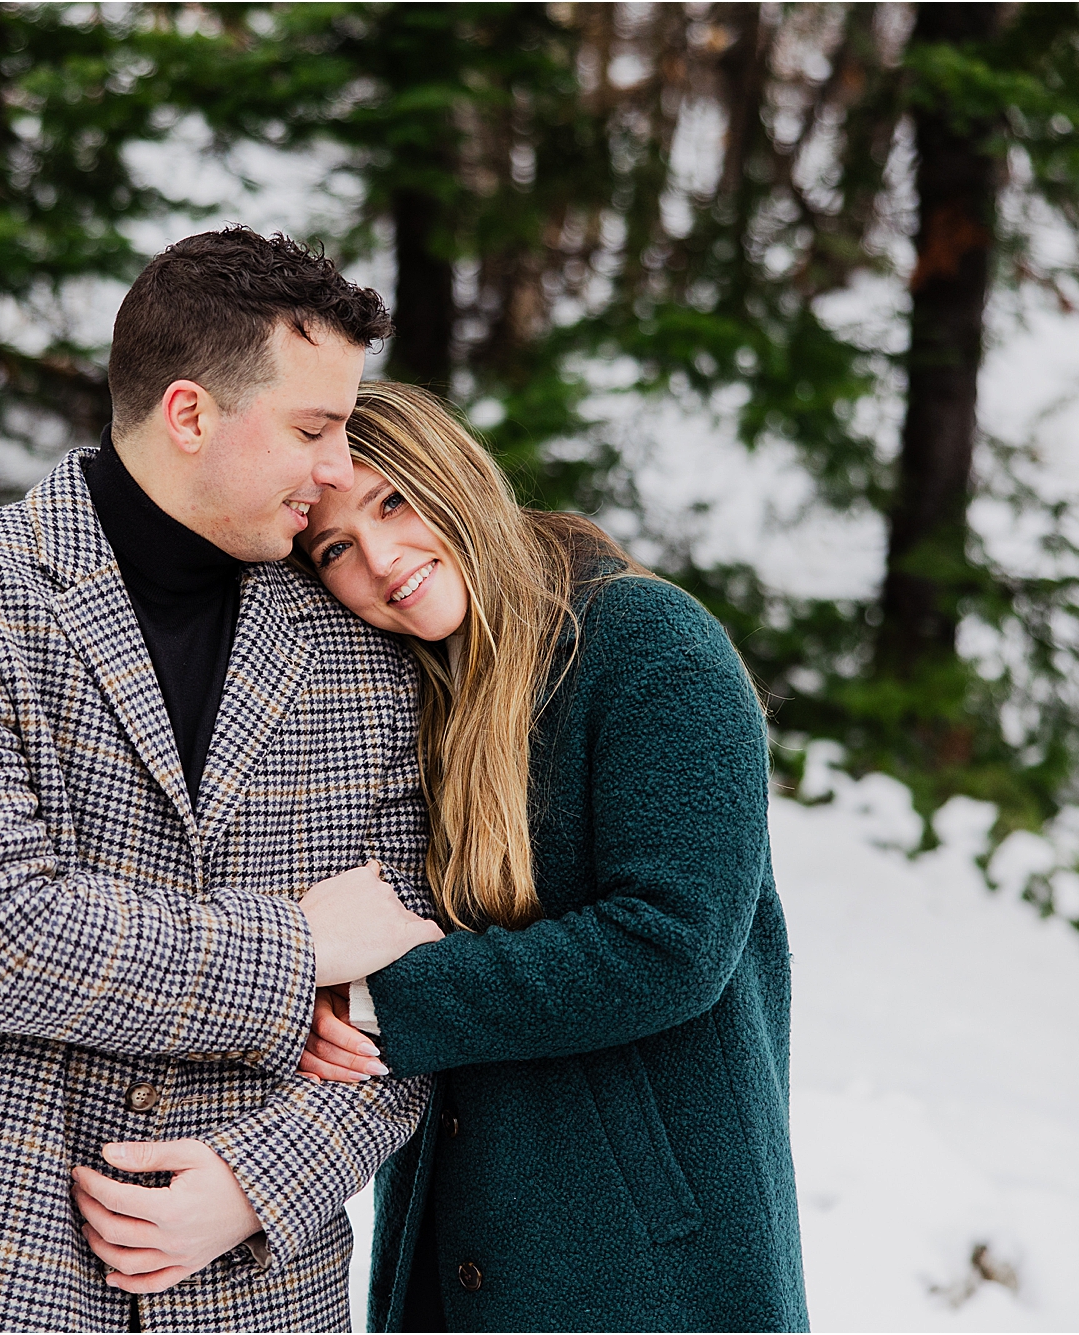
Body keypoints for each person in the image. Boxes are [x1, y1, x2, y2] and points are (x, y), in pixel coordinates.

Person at [0, 230, 445, 1332]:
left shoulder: (359, 639)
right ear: (189, 415)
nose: (336, 469)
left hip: (258, 1292)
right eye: (312, 428)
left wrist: (257, 1182)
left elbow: (411, 995)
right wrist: (299, 947)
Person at [292, 382, 809, 1332]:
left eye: (393, 501)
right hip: (461, 1243)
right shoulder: (407, 694)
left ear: (451, 477)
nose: (380, 558)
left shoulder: (648, 646)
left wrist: (391, 1002)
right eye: (334, 548)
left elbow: (672, 942)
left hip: (646, 1263)